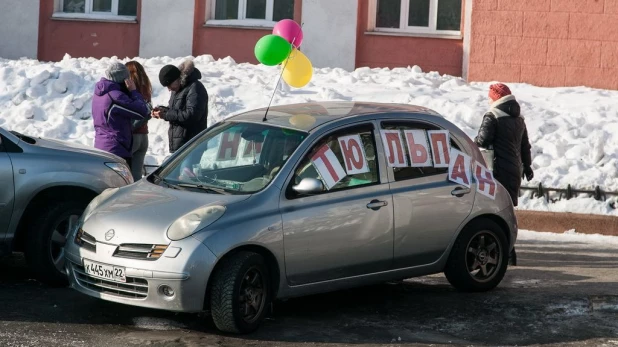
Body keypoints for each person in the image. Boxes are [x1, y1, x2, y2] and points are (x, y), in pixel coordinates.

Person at [474, 83, 533, 207]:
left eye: (490, 97)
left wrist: (472, 141)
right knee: (508, 207)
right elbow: (525, 145)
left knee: (494, 207)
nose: (488, 100)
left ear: (496, 98)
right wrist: (527, 166)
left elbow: (483, 141)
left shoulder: (493, 115)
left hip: (497, 170)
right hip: (515, 169)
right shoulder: (520, 119)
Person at [92, 62, 150, 169]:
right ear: (124, 79)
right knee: (121, 184)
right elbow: (142, 111)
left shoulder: (99, 93)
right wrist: (133, 91)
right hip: (117, 149)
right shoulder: (116, 96)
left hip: (101, 145)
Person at [154, 59, 208, 154]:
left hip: (192, 145)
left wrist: (166, 114)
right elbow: (175, 111)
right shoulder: (177, 89)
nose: (169, 89)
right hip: (179, 145)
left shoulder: (195, 87)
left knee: (186, 169)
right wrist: (163, 111)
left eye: (169, 85)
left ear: (177, 79)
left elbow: (191, 115)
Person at [125, 61, 153, 180]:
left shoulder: (131, 91)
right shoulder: (146, 88)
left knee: (125, 176)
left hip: (133, 135)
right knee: (136, 176)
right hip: (143, 137)